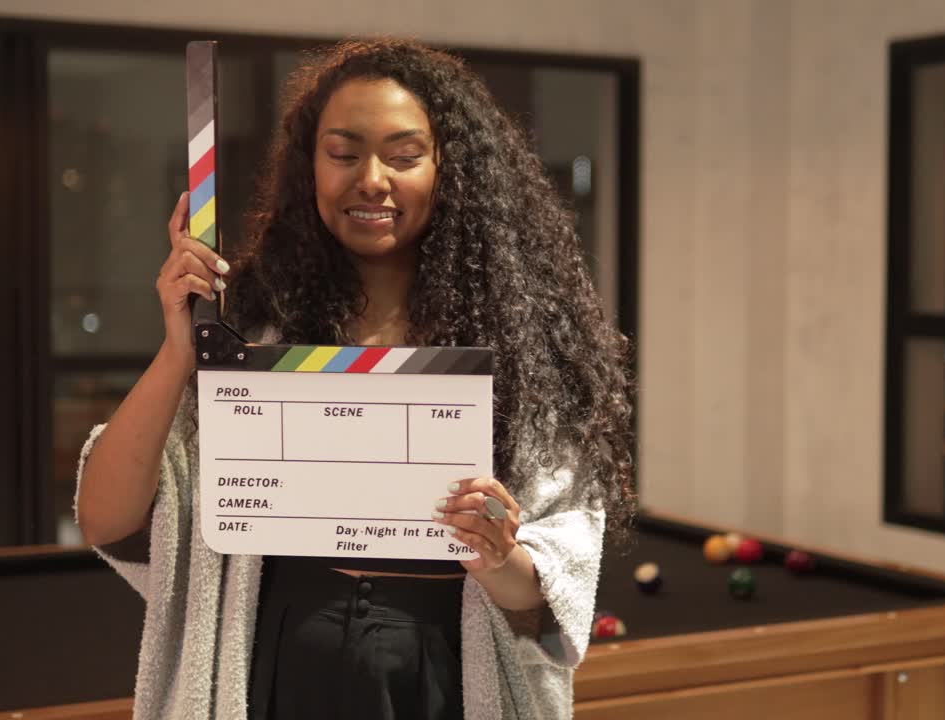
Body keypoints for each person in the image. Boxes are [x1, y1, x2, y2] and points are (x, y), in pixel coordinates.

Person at [74, 37, 634, 720]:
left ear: (449, 169)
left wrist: (499, 554)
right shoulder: (251, 335)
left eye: (404, 156)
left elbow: (547, 603)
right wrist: (177, 353)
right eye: (343, 153)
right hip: (273, 672)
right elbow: (106, 519)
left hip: (449, 679)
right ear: (309, 167)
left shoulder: (525, 360)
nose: (372, 179)